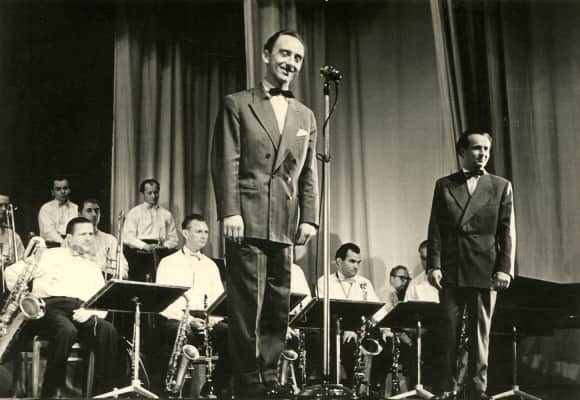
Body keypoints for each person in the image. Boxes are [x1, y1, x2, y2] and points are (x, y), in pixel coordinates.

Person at [211, 29, 319, 398]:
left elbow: (307, 171)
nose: (291, 63)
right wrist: (230, 211)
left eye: (298, 58)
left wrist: (309, 217)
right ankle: (247, 379)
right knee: (247, 305)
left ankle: (269, 376)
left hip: (284, 223)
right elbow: (226, 160)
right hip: (247, 217)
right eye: (284, 54)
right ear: (266, 55)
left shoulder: (306, 116)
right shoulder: (238, 103)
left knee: (277, 304)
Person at [427, 129, 515, 400]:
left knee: (480, 336)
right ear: (462, 152)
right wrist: (433, 265)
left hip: (484, 268)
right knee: (448, 333)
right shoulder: (444, 185)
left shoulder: (501, 186)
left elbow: (507, 232)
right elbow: (436, 228)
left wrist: (504, 268)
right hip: (451, 267)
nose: (483, 154)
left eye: (486, 149)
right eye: (477, 148)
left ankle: (477, 390)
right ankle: (446, 389)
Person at [5, 217, 121, 398]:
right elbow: (11, 272)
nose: (88, 238)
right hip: (50, 308)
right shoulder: (50, 255)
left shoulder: (93, 267)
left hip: (80, 310)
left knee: (108, 330)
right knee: (66, 330)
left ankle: (102, 393)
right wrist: (26, 297)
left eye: (91, 234)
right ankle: (50, 393)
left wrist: (89, 312)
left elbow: (102, 301)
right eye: (83, 234)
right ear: (69, 238)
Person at [154, 213, 227, 394]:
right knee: (173, 332)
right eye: (198, 231)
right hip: (177, 318)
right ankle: (173, 389)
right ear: (185, 234)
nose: (204, 236)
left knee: (233, 335)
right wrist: (189, 321)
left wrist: (212, 320)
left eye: (206, 232)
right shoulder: (168, 263)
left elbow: (218, 301)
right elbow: (164, 302)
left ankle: (215, 387)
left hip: (207, 319)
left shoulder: (211, 265)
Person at [315, 242, 380, 386]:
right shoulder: (325, 281)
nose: (356, 266)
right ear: (339, 261)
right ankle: (351, 387)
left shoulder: (364, 283)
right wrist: (347, 329)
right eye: (352, 261)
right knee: (348, 347)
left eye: (358, 262)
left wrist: (387, 328)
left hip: (362, 332)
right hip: (336, 332)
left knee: (387, 346)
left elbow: (377, 309)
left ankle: (373, 388)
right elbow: (327, 312)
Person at [122, 179, 178, 281]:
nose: (153, 196)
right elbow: (128, 237)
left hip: (160, 251)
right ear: (143, 193)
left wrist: (163, 247)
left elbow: (173, 239)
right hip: (139, 252)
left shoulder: (166, 214)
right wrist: (145, 246)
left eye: (156, 192)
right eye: (150, 193)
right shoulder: (134, 213)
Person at [370, 266, 413, 395]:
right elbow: (381, 320)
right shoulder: (383, 294)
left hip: (398, 335)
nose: (405, 281)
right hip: (385, 335)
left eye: (407, 279)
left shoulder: (404, 294)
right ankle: (376, 387)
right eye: (402, 278)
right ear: (391, 278)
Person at [78, 199, 128, 279]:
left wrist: (111, 275)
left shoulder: (110, 240)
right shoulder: (73, 239)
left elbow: (123, 269)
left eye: (97, 211)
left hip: (104, 283)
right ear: (80, 214)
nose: (94, 214)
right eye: (89, 211)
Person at [38, 177, 78, 246]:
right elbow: (48, 232)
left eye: (65, 188)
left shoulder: (76, 208)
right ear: (53, 192)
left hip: (73, 245)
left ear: (69, 190)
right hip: (51, 246)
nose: (62, 191)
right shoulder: (46, 209)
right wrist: (63, 243)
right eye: (58, 189)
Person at [0, 194, 24, 267]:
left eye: (6, 206)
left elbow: (21, 263)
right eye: (0, 205)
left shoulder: (13, 236)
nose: (4, 209)